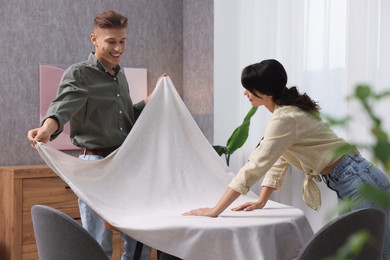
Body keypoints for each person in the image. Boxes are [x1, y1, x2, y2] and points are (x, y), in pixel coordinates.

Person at [184, 59, 390, 259]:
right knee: (357, 250)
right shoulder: (287, 113)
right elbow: (281, 158)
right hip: (350, 178)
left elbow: (256, 165)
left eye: (250, 88)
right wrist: (262, 200)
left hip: (358, 179)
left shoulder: (285, 117)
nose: (245, 93)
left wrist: (215, 210)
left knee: (376, 251)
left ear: (266, 92)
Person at [27, 10, 160, 260]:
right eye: (111, 41)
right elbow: (61, 108)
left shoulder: (119, 76)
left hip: (124, 163)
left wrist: (150, 99)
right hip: (96, 167)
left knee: (138, 237)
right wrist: (46, 129)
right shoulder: (80, 74)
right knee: (98, 244)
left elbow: (125, 120)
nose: (118, 47)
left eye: (122, 41)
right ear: (94, 39)